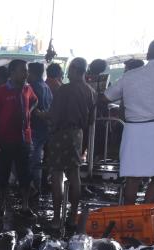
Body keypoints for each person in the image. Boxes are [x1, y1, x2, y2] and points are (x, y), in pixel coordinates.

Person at [103, 38, 154, 204]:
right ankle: (146, 215)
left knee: (133, 177)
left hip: (133, 131)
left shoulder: (130, 76)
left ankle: (129, 216)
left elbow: (106, 97)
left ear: (148, 54)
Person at [45, 57, 96, 229]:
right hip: (78, 135)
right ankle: (73, 216)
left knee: (57, 175)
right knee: (74, 175)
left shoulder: (65, 89)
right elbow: (91, 120)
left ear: (74, 69)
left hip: (61, 133)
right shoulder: (91, 91)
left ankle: (57, 218)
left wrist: (39, 114)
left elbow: (53, 115)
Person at [0, 59, 38, 216]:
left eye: (26, 70)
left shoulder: (28, 89)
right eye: (22, 70)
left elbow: (35, 101)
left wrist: (27, 111)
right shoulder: (0, 92)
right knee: (2, 174)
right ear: (12, 73)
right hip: (4, 140)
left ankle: (24, 205)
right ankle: (2, 203)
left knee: (25, 174)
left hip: (24, 140)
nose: (26, 73)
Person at [27, 62, 54, 196]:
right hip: (45, 128)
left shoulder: (32, 87)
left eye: (27, 71)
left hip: (35, 127)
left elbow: (30, 108)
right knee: (41, 158)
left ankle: (34, 187)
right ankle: (41, 184)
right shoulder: (46, 86)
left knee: (34, 159)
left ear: (32, 72)